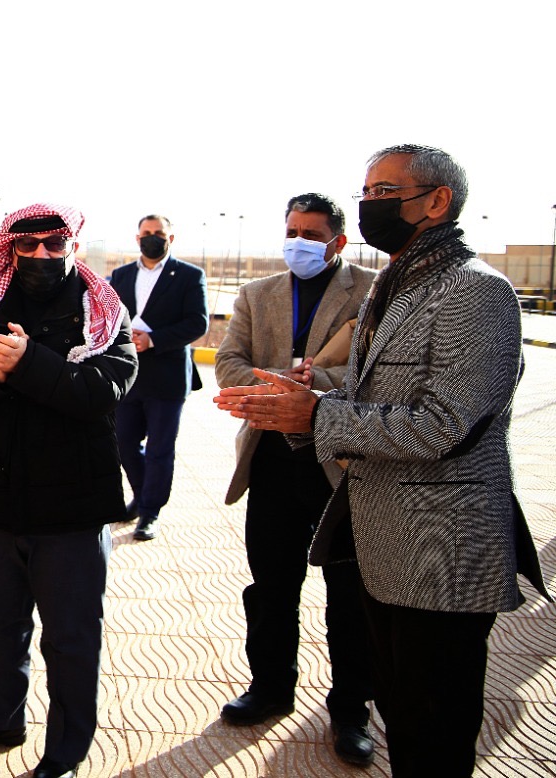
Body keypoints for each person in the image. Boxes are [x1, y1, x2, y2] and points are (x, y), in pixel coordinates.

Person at [214, 144, 551, 776]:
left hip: (440, 552)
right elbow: (369, 394)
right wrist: (307, 404)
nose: (371, 204)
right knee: (406, 716)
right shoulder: (401, 285)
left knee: (433, 729)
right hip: (386, 541)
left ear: (437, 201)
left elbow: (445, 424)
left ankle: (350, 711)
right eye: (366, 192)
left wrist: (315, 415)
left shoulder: (475, 291)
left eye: (385, 193)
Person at [0, 203, 138, 778]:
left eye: (54, 244)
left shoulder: (103, 311)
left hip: (71, 509)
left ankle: (67, 747)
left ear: (72, 246)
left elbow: (102, 390)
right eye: (28, 245)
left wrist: (27, 363)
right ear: (11, 250)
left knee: (70, 637)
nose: (42, 254)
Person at [214, 193, 378, 766]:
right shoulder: (257, 294)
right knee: (271, 585)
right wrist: (281, 382)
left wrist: (317, 384)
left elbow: (372, 371)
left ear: (338, 241)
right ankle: (269, 688)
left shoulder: (372, 291)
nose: (298, 242)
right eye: (292, 231)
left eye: (311, 234)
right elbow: (228, 363)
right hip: (272, 461)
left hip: (342, 464)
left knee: (349, 593)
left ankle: (351, 710)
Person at [107, 215, 208, 540]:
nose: (152, 238)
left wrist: (153, 340)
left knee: (159, 450)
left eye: (159, 233)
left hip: (167, 379)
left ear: (170, 238)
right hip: (128, 378)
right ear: (137, 238)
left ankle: (150, 512)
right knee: (124, 443)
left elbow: (198, 323)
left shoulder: (190, 276)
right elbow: (109, 317)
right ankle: (141, 497)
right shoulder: (121, 275)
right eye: (146, 233)